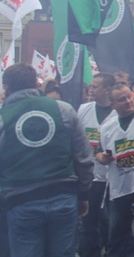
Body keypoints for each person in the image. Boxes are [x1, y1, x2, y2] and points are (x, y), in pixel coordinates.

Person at [0, 63, 94, 256]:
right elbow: (83, 157)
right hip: (63, 197)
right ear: (36, 83)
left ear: (6, 87)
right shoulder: (64, 109)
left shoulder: (3, 117)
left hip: (20, 201)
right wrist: (83, 193)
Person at [97, 84, 134, 257]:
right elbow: (100, 152)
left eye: (129, 96)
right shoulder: (107, 127)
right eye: (122, 100)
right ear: (112, 104)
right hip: (119, 187)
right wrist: (102, 157)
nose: (128, 101)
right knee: (117, 235)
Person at [78, 72, 117, 257]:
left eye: (95, 86)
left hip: (113, 179)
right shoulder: (84, 109)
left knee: (111, 223)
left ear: (107, 89)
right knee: (88, 222)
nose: (91, 89)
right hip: (91, 177)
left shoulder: (119, 112)